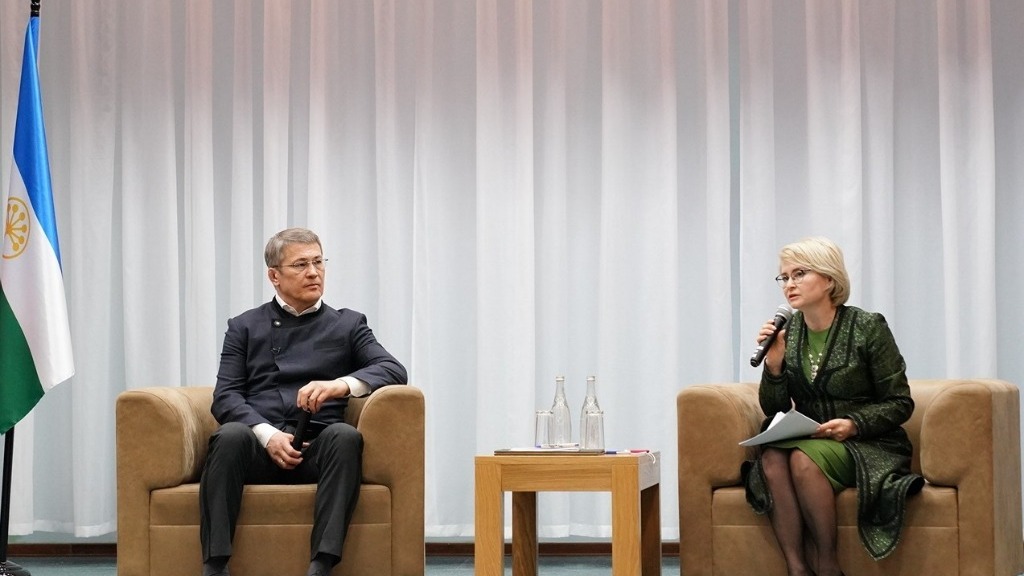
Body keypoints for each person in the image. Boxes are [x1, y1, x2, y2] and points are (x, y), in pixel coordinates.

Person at [199, 227, 408, 576]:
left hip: (318, 448)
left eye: (318, 262)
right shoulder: (244, 327)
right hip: (258, 448)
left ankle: (321, 565)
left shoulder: (347, 324)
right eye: (301, 265)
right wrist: (267, 435)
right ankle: (215, 566)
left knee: (345, 436)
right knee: (229, 435)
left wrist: (340, 385)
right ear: (274, 276)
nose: (313, 272)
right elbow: (225, 396)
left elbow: (393, 369)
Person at [742, 237, 923, 576]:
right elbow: (773, 408)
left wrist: (853, 423)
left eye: (799, 274)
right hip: (810, 438)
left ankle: (827, 566)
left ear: (828, 279)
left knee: (802, 459)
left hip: (868, 442)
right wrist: (775, 366)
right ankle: (797, 568)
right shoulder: (788, 332)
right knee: (772, 459)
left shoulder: (867, 327)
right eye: (784, 277)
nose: (789, 284)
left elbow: (900, 402)